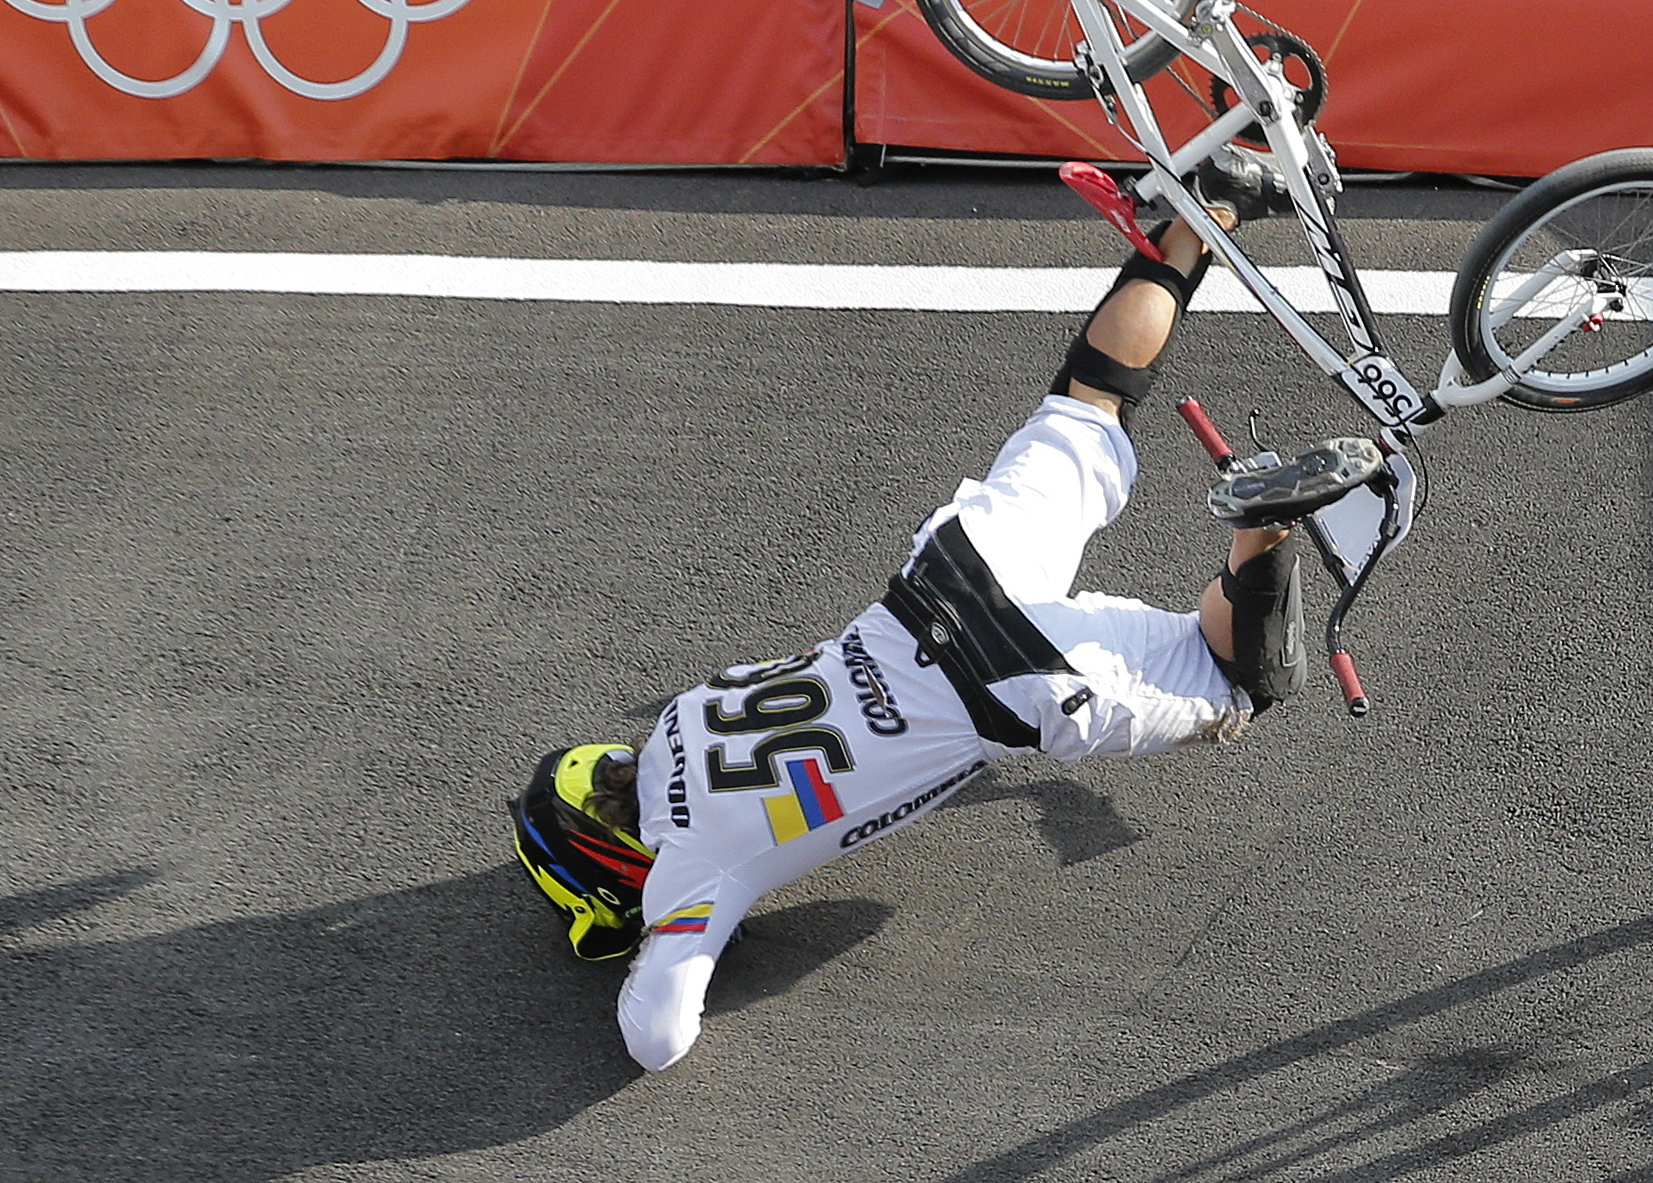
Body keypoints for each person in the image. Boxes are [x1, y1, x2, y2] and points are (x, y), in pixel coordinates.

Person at [511, 154, 1382, 1071]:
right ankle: (1211, 206)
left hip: (1004, 683)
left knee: (1237, 685)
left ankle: (1262, 527)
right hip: (946, 573)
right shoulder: (689, 714)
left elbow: (656, 1039)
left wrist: (660, 937)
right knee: (1090, 399)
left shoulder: (690, 869)